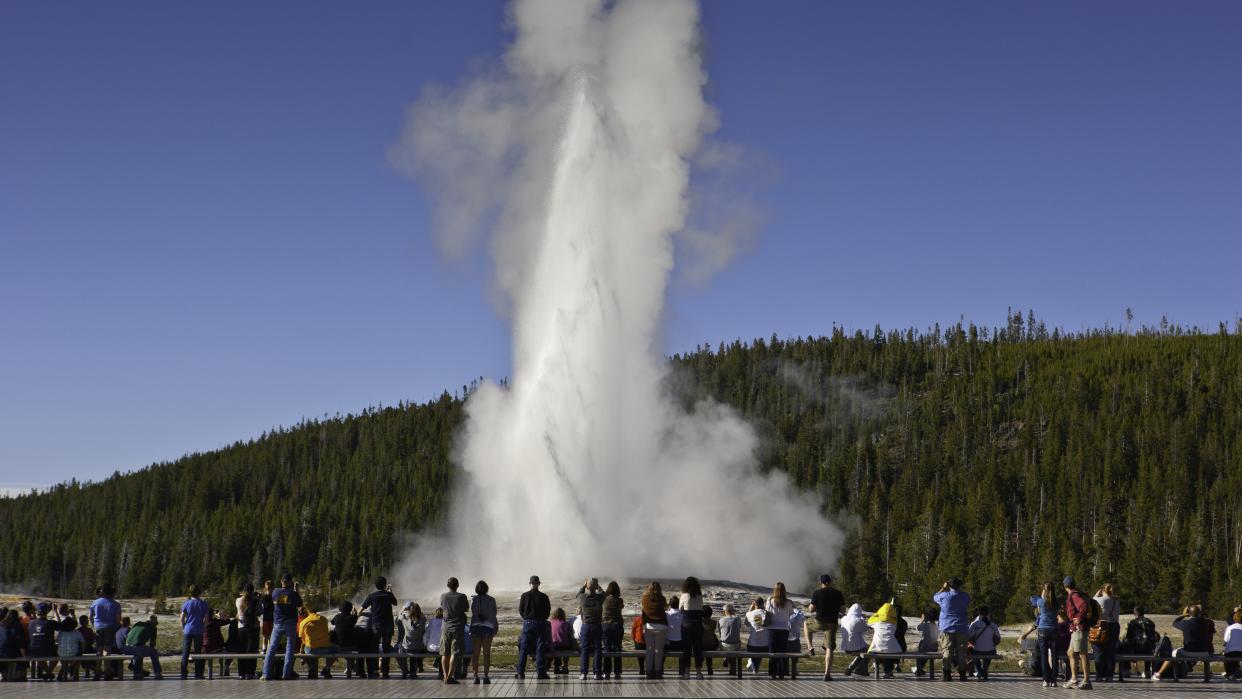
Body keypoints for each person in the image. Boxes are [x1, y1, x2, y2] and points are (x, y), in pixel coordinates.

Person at [1155, 605, 1213, 681]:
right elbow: (1202, 619)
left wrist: (1183, 615)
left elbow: (1175, 623)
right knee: (1206, 660)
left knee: (1173, 654)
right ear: (1199, 613)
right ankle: (1207, 677)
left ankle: (1159, 674)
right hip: (1204, 652)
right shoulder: (1206, 623)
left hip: (1188, 651)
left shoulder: (1186, 623)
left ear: (1190, 613)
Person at [261, 572, 302, 681]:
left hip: (278, 623)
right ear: (290, 582)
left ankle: (266, 673)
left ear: (281, 582)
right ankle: (286, 674)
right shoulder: (293, 594)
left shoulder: (275, 592)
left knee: (271, 648)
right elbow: (300, 604)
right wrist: (296, 590)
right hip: (290, 623)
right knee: (289, 649)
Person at [806, 574, 844, 681]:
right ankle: (827, 673)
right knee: (829, 649)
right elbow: (843, 610)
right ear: (830, 582)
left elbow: (811, 610)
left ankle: (810, 647)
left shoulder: (817, 593)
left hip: (820, 621)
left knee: (806, 624)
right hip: (832, 623)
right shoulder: (838, 593)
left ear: (821, 583)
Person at [361, 576, 398, 679]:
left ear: (375, 585)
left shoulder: (372, 596)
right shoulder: (388, 595)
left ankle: (374, 670)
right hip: (388, 625)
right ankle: (385, 672)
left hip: (376, 625)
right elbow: (395, 603)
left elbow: (361, 608)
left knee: (374, 648)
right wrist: (391, 592)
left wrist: (357, 616)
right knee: (386, 648)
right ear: (385, 585)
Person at [517, 575, 551, 680]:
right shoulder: (544, 596)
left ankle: (520, 672)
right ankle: (541, 673)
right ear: (539, 584)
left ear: (529, 583)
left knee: (523, 648)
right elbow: (547, 611)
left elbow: (521, 610)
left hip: (528, 623)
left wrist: (526, 618)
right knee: (540, 648)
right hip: (540, 623)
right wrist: (542, 619)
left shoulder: (524, 596)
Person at [1063, 576, 1094, 689]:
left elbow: (1083, 606)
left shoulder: (1074, 595)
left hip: (1080, 628)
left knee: (1082, 653)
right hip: (1076, 628)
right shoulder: (1076, 593)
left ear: (1065, 586)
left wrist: (1079, 618)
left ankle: (1086, 681)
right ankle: (1074, 679)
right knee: (1071, 652)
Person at [438, 577, 468, 685]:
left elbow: (442, 607)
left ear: (447, 585)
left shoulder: (443, 596)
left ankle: (445, 676)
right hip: (457, 627)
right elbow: (466, 609)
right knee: (454, 653)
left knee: (444, 653)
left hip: (445, 627)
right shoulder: (462, 596)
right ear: (457, 585)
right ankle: (450, 677)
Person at [89, 583, 122, 680]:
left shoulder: (95, 602)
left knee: (99, 650)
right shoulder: (116, 604)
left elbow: (90, 616)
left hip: (98, 627)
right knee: (107, 650)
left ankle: (97, 672)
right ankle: (107, 672)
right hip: (110, 627)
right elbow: (118, 619)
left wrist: (94, 626)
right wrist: (115, 628)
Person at [1030, 582, 1059, 687]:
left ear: (1044, 590)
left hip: (1043, 629)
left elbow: (1034, 603)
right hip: (1054, 629)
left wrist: (1042, 595)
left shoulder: (1041, 601)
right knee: (1055, 655)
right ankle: (1054, 679)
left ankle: (1046, 679)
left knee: (1044, 655)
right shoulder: (1057, 602)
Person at [297, 605, 337, 680]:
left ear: (307, 612)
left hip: (310, 649)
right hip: (325, 648)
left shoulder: (304, 622)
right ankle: (327, 668)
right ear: (316, 611)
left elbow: (302, 639)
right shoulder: (323, 619)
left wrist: (301, 652)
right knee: (337, 648)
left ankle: (311, 668)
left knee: (305, 650)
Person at [576, 577, 604, 680]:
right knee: (598, 649)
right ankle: (597, 673)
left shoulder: (583, 597)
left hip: (586, 625)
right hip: (597, 625)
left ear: (587, 587)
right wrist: (598, 587)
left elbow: (578, 594)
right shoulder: (599, 598)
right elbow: (604, 593)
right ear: (596, 587)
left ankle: (584, 673)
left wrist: (584, 585)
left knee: (585, 649)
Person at [179, 586, 210, 680]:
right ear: (199, 592)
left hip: (188, 629)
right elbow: (206, 619)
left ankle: (183, 673)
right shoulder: (203, 604)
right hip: (198, 630)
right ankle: (198, 674)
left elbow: (182, 618)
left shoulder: (187, 603)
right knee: (198, 653)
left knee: (185, 652)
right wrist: (204, 628)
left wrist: (184, 628)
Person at [470, 580, 497, 684]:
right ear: (486, 589)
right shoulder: (492, 600)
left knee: (475, 653)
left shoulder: (473, 599)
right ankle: (486, 676)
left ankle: (475, 676)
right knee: (486, 654)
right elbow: (494, 614)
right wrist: (495, 626)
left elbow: (473, 612)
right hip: (488, 627)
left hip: (476, 627)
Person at [1120, 605, 1158, 679]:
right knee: (1148, 644)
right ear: (1143, 613)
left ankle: (1126, 669)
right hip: (1149, 650)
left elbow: (1128, 638)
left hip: (1136, 649)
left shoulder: (1132, 623)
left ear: (1134, 613)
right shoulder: (1150, 622)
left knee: (1124, 645)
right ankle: (1147, 671)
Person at [765, 582, 795, 679]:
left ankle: (773, 673)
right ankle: (782, 673)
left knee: (772, 651)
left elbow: (767, 611)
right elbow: (791, 613)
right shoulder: (789, 602)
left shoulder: (770, 600)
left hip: (772, 629)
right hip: (784, 629)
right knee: (782, 651)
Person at [1092, 583, 1121, 682]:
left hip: (1101, 626)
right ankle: (1109, 675)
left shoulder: (1099, 600)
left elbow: (1090, 602)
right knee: (1110, 651)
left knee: (1099, 651)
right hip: (1114, 626)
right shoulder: (1116, 602)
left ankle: (1099, 675)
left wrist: (1096, 595)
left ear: (1103, 590)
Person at [641, 581, 669, 679]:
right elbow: (666, 607)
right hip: (661, 627)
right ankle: (657, 672)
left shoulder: (644, 598)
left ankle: (649, 672)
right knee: (658, 651)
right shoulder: (662, 599)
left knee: (649, 650)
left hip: (649, 627)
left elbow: (644, 609)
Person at [679, 577, 706, 679]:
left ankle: (687, 672)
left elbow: (680, 609)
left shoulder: (684, 595)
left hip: (687, 624)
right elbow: (701, 608)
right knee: (697, 649)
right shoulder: (699, 596)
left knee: (687, 649)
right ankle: (699, 672)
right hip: (698, 624)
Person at [122, 615, 162, 680]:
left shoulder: (138, 623)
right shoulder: (153, 627)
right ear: (154, 622)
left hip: (125, 648)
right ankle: (157, 673)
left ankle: (137, 673)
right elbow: (152, 644)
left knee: (139, 652)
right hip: (136, 648)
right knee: (153, 652)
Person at [867, 600, 901, 678]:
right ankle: (888, 671)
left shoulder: (876, 621)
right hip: (892, 647)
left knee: (880, 650)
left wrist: (877, 614)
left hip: (877, 646)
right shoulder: (894, 622)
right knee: (888, 651)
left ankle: (877, 665)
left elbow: (869, 621)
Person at [966, 605, 1000, 680]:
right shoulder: (993, 625)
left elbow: (969, 638)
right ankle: (984, 670)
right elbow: (998, 640)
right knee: (989, 651)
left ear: (978, 613)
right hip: (990, 650)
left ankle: (979, 671)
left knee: (973, 653)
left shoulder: (974, 624)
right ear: (988, 613)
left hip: (977, 650)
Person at [235, 582, 260, 679]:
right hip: (252, 627)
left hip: (241, 627)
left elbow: (238, 613)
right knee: (252, 650)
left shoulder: (238, 600)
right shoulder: (254, 601)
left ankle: (241, 673)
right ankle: (250, 672)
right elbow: (258, 612)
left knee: (242, 650)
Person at [28, 603, 58, 681]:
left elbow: (37, 622)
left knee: (39, 655)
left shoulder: (31, 623)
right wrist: (56, 611)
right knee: (57, 654)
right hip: (48, 650)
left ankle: (48, 673)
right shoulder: (51, 623)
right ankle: (49, 672)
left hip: (34, 651)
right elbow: (60, 625)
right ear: (47, 612)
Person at [601, 581, 624, 679]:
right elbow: (621, 607)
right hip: (617, 625)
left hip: (606, 625)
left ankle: (606, 672)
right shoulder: (619, 600)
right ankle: (617, 672)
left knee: (607, 648)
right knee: (617, 648)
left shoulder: (604, 599)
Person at [744, 596, 770, 674]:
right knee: (759, 651)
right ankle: (754, 666)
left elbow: (746, 623)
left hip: (752, 645)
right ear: (763, 604)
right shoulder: (766, 613)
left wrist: (750, 608)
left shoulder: (749, 614)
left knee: (754, 652)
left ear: (754, 604)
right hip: (765, 646)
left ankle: (753, 665)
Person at [56, 615, 85, 681]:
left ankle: (65, 674)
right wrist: (82, 651)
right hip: (74, 653)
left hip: (62, 654)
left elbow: (56, 640)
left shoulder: (60, 632)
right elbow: (83, 643)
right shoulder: (76, 632)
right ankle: (75, 672)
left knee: (62, 654)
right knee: (79, 654)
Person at [718, 603, 742, 674]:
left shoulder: (721, 620)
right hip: (736, 645)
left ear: (725, 611)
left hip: (724, 645)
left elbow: (720, 633)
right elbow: (738, 628)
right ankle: (733, 670)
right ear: (733, 611)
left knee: (722, 641)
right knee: (734, 654)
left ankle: (726, 658)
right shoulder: (738, 618)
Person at [915, 607, 939, 677]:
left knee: (921, 645)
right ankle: (920, 669)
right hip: (934, 648)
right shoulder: (936, 626)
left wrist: (922, 620)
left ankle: (919, 669)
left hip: (925, 648)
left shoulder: (925, 625)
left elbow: (917, 628)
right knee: (924, 646)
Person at [664, 596, 684, 677]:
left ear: (669, 605)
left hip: (669, 643)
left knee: (662, 649)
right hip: (680, 642)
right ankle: (682, 671)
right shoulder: (682, 614)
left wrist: (666, 607)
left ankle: (660, 670)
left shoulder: (666, 614)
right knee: (683, 652)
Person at [550, 608, 574, 674]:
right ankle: (565, 666)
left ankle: (556, 667)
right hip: (565, 645)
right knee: (566, 643)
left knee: (555, 645)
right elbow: (570, 634)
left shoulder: (551, 623)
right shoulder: (566, 623)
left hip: (554, 645)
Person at [1223, 608, 1242, 681]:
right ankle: (1236, 671)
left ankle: (1230, 674)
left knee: (1227, 657)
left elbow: (1226, 641)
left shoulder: (1230, 627)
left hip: (1231, 652)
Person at [701, 604, 719, 675]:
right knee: (709, 646)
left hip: (702, 645)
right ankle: (709, 667)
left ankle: (701, 662)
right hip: (711, 645)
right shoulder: (714, 623)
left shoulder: (699, 623)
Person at [259, 580, 275, 654]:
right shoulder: (263, 597)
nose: (268, 589)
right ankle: (264, 649)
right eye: (267, 588)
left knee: (270, 636)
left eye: (269, 588)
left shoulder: (274, 596)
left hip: (272, 618)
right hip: (266, 618)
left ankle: (268, 649)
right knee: (266, 635)